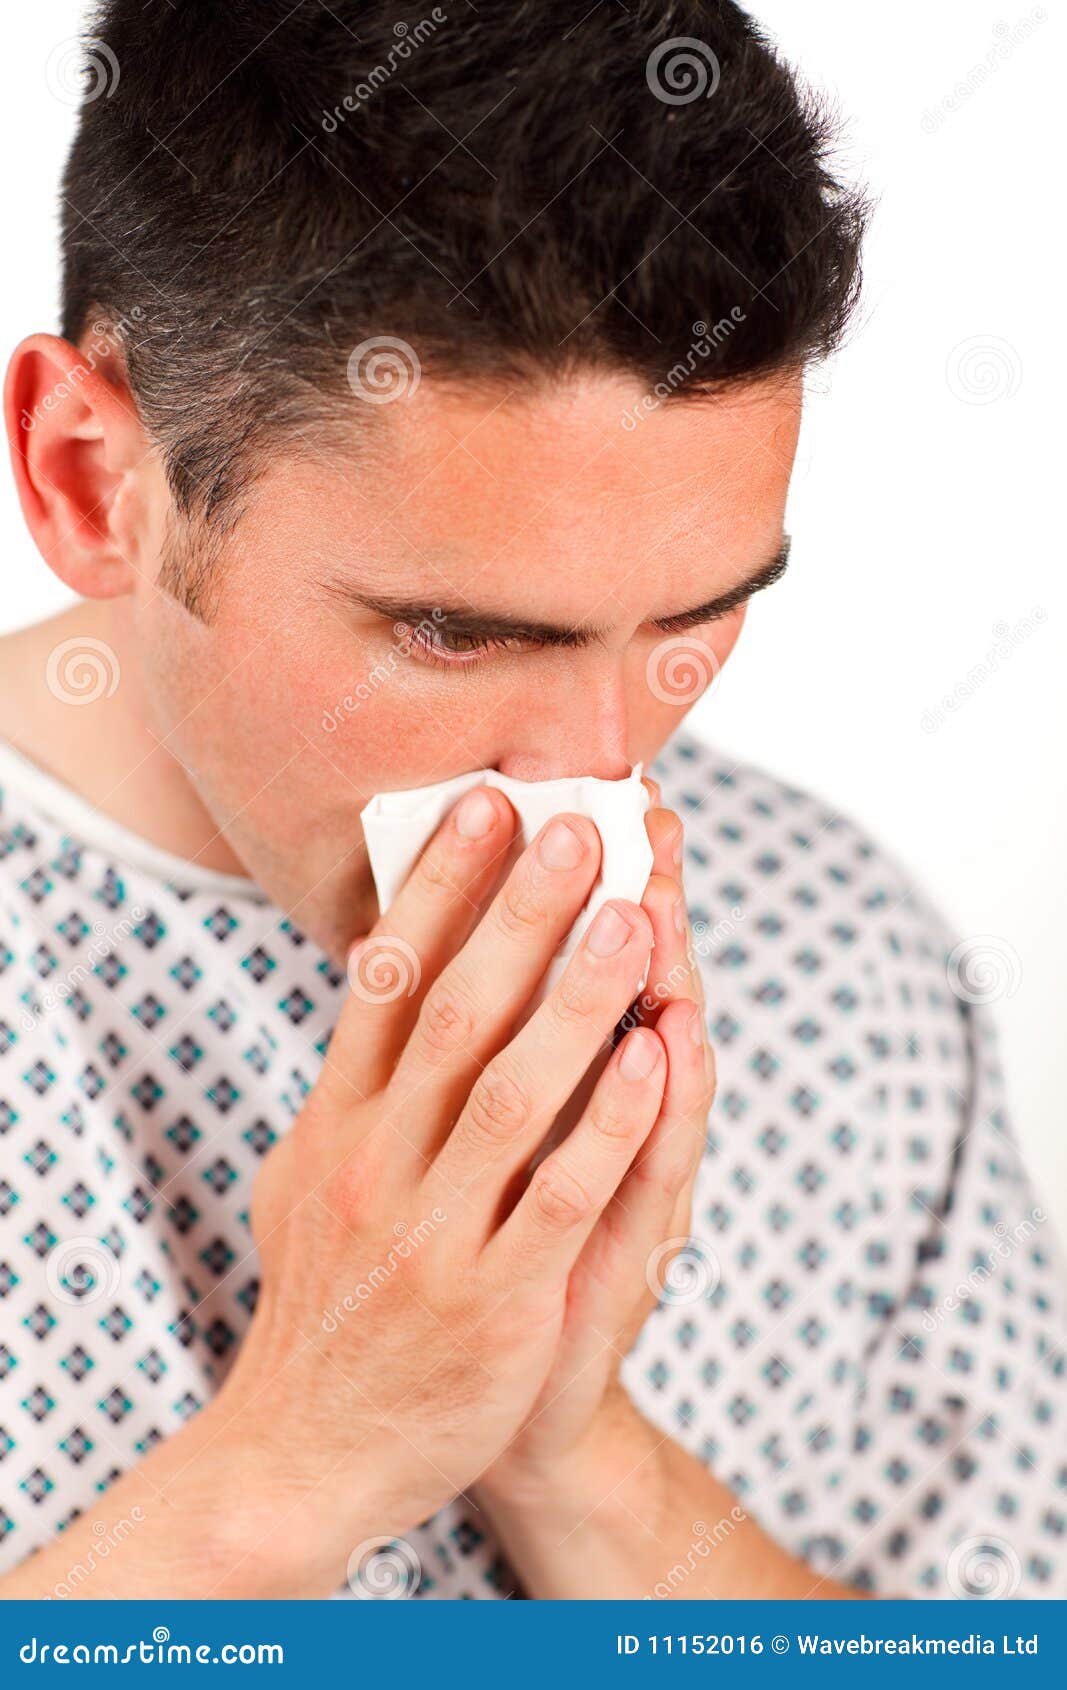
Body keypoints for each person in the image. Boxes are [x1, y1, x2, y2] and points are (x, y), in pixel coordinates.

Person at [0, 0, 1061, 1601]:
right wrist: (299, 1457)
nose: (600, 770)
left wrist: (573, 1454)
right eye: (460, 630)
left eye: (696, 616)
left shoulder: (847, 961)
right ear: (93, 480)